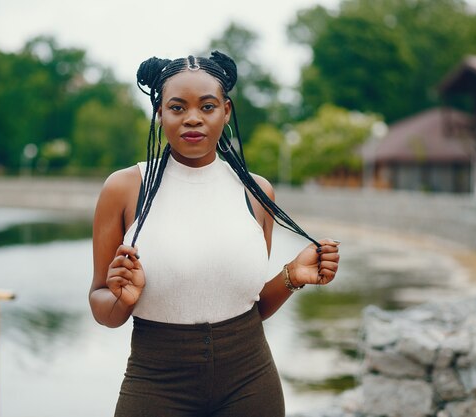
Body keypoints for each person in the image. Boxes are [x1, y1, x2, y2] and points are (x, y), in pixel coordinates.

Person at [89, 51, 340, 417]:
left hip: (250, 382)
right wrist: (123, 300)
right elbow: (103, 308)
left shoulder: (257, 192)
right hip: (156, 383)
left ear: (226, 110)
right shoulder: (125, 188)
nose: (193, 118)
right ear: (159, 113)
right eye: (177, 107)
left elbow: (251, 307)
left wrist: (291, 276)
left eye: (207, 107)